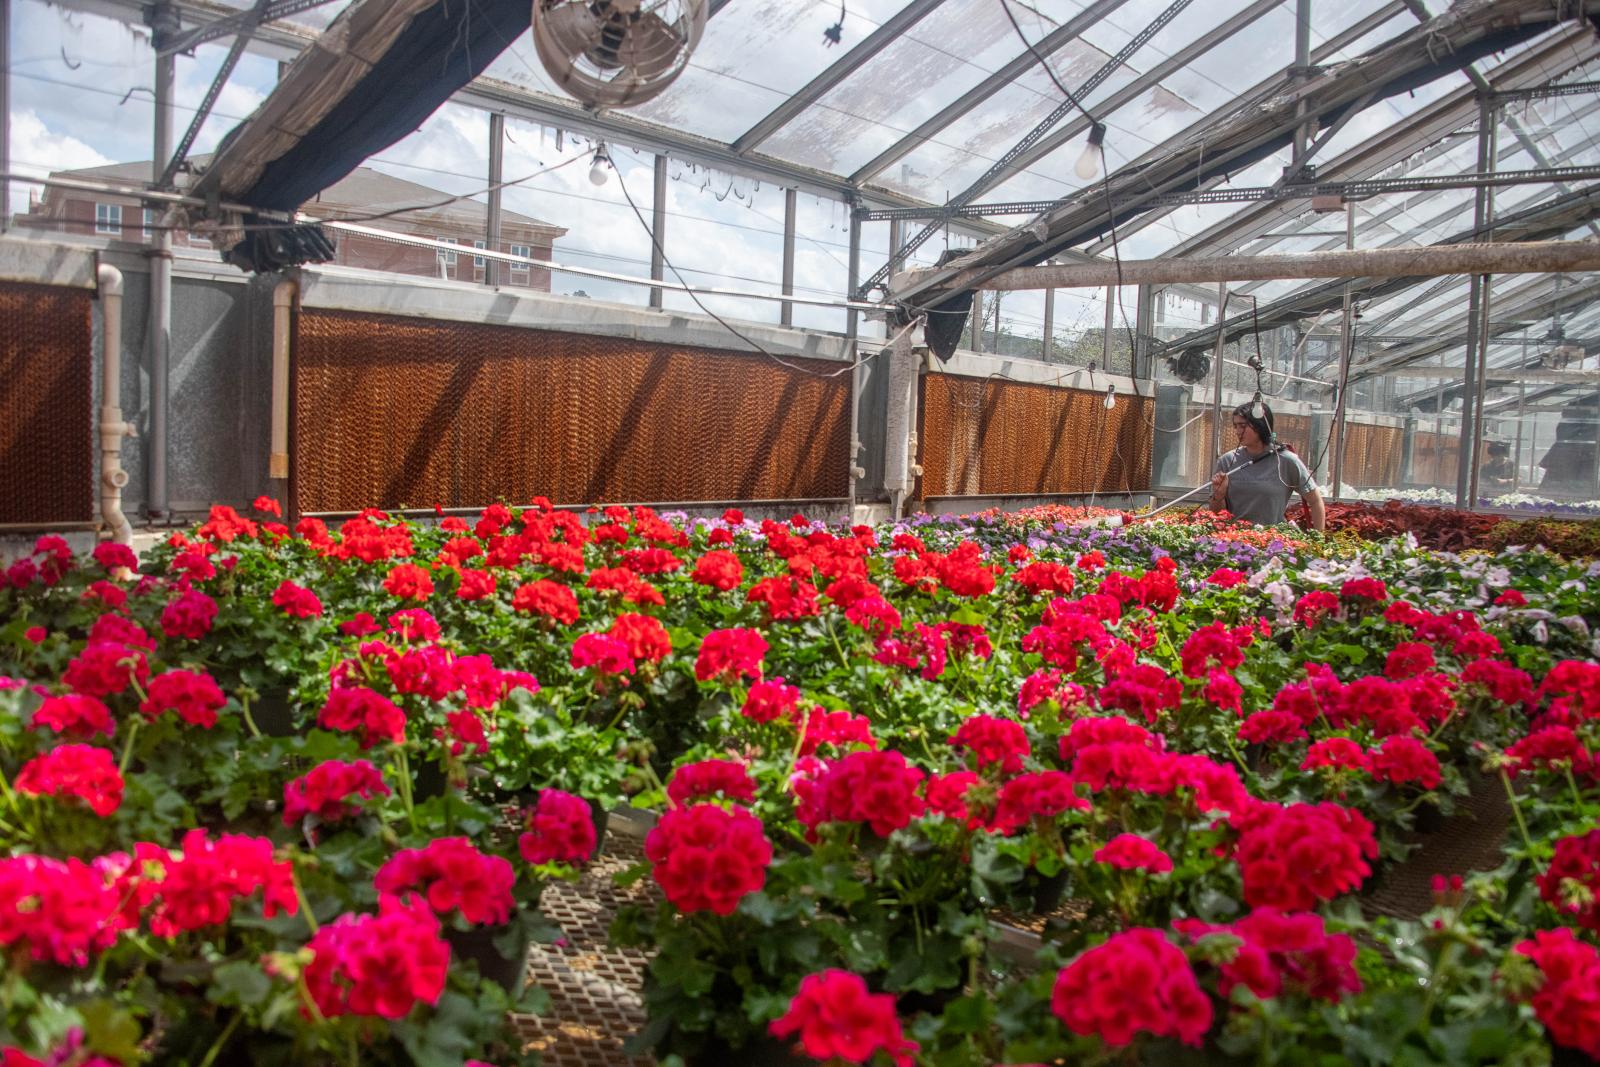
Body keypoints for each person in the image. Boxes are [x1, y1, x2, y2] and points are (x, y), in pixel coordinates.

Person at [1208, 401, 1326, 532]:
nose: (1238, 431)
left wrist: (1318, 539)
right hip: (1235, 543)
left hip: (1273, 544)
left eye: (1243, 426)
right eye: (1235, 426)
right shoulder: (1228, 461)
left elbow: (1315, 500)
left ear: (1261, 426)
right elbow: (1216, 515)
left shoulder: (1286, 461)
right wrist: (1218, 496)